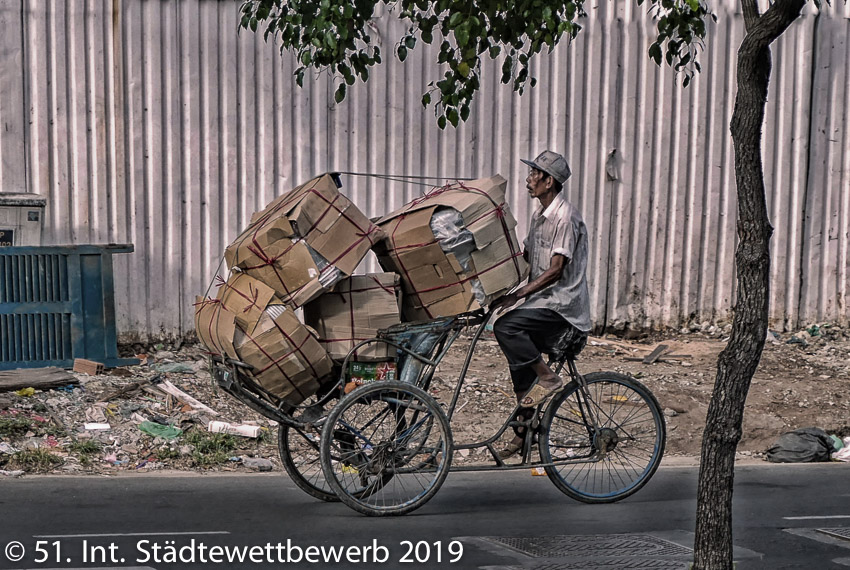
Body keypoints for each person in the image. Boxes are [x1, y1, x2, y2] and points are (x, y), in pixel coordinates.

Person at [489, 150, 591, 459]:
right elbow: (527, 261)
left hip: (564, 308)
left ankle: (547, 378)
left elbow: (556, 269)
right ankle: (525, 427)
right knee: (517, 354)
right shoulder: (539, 217)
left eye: (535, 174)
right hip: (543, 302)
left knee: (507, 327)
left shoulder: (565, 217)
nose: (529, 179)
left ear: (550, 181)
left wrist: (518, 296)